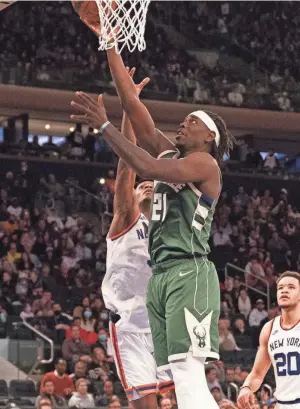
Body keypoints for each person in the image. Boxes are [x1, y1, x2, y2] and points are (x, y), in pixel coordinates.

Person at [71, 37, 234, 408]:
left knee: (190, 376)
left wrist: (104, 128)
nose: (183, 123)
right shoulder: (172, 153)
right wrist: (109, 41)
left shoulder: (205, 165)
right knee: (179, 374)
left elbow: (143, 166)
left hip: (188, 271)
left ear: (209, 137)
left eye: (192, 122)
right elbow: (132, 106)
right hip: (160, 278)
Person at [102, 69, 173, 408]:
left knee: (179, 399)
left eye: (152, 184)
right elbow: (126, 168)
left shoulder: (167, 229)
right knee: (145, 405)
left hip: (162, 325)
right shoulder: (126, 220)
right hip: (129, 326)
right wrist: (130, 106)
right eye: (140, 184)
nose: (147, 183)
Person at [237, 271, 300, 409]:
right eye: (280, 288)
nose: (284, 291)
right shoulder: (269, 328)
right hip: (282, 404)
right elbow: (258, 373)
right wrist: (246, 388)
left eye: (291, 287)